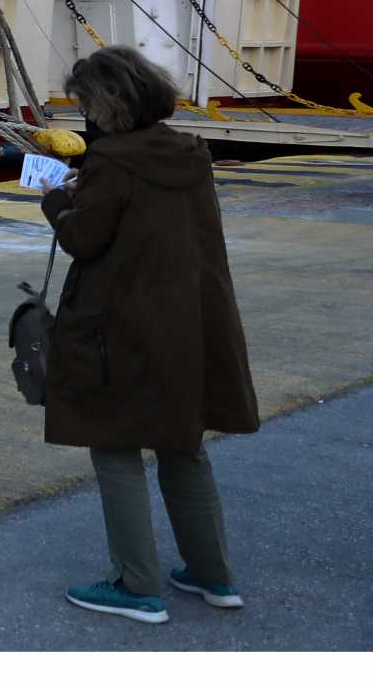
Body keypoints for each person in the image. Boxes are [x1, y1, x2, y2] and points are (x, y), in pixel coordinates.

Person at [40, 46, 257, 624]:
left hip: (123, 327)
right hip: (190, 325)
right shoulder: (189, 153)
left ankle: (135, 585)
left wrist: (56, 200)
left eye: (84, 103)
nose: (80, 114)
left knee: (115, 447)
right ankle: (213, 575)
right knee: (181, 446)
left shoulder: (111, 165)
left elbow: (85, 239)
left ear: (106, 105)